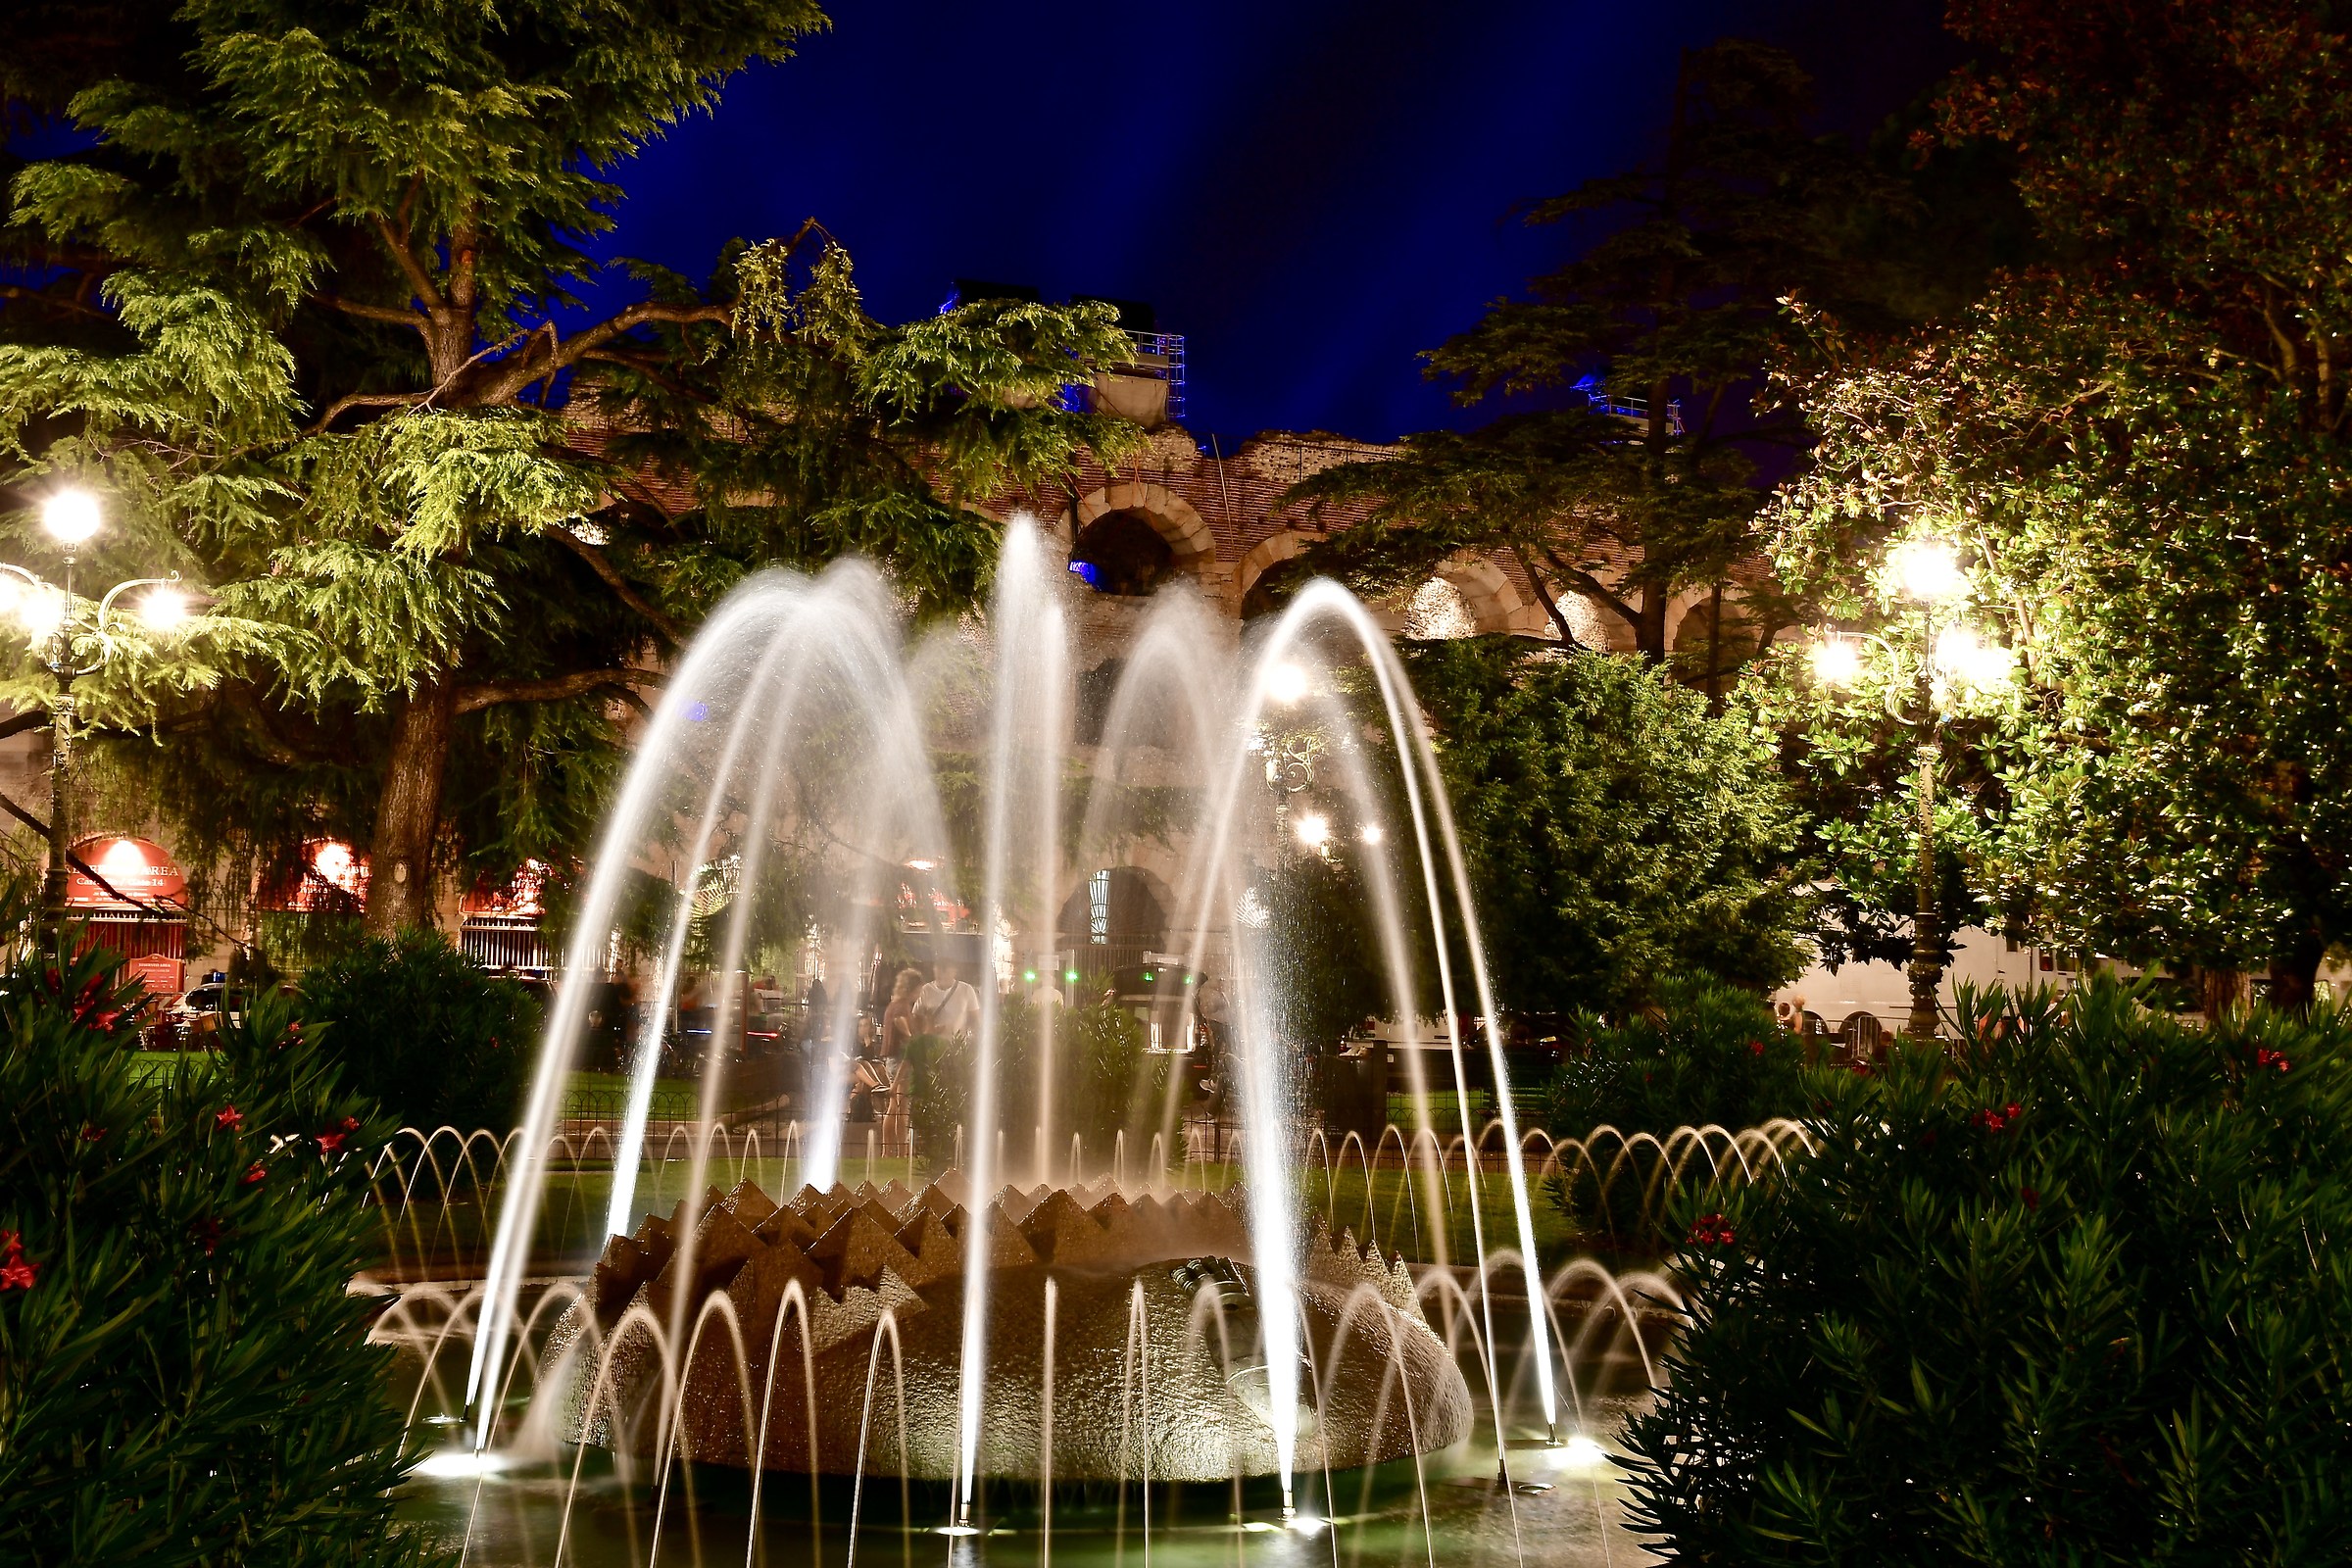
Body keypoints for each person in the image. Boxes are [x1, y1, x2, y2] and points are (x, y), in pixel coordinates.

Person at [913, 960, 980, 1042]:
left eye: (946, 973)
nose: (942, 976)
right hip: (933, 1046)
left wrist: (975, 1037)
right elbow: (916, 1016)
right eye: (939, 973)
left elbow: (975, 1017)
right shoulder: (926, 989)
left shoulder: (966, 989)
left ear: (954, 972)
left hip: (958, 1045)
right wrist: (925, 1033)